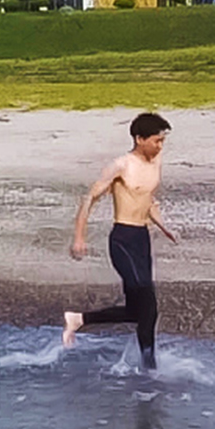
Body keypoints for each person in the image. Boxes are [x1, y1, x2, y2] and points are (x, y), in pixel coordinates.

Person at [64, 112, 177, 369]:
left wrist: (163, 226)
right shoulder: (121, 165)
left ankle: (79, 319)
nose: (160, 146)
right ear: (140, 139)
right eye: (157, 141)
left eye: (162, 141)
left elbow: (148, 200)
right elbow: (88, 199)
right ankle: (150, 369)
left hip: (142, 239)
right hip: (123, 239)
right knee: (146, 298)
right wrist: (79, 237)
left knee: (141, 310)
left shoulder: (156, 163)